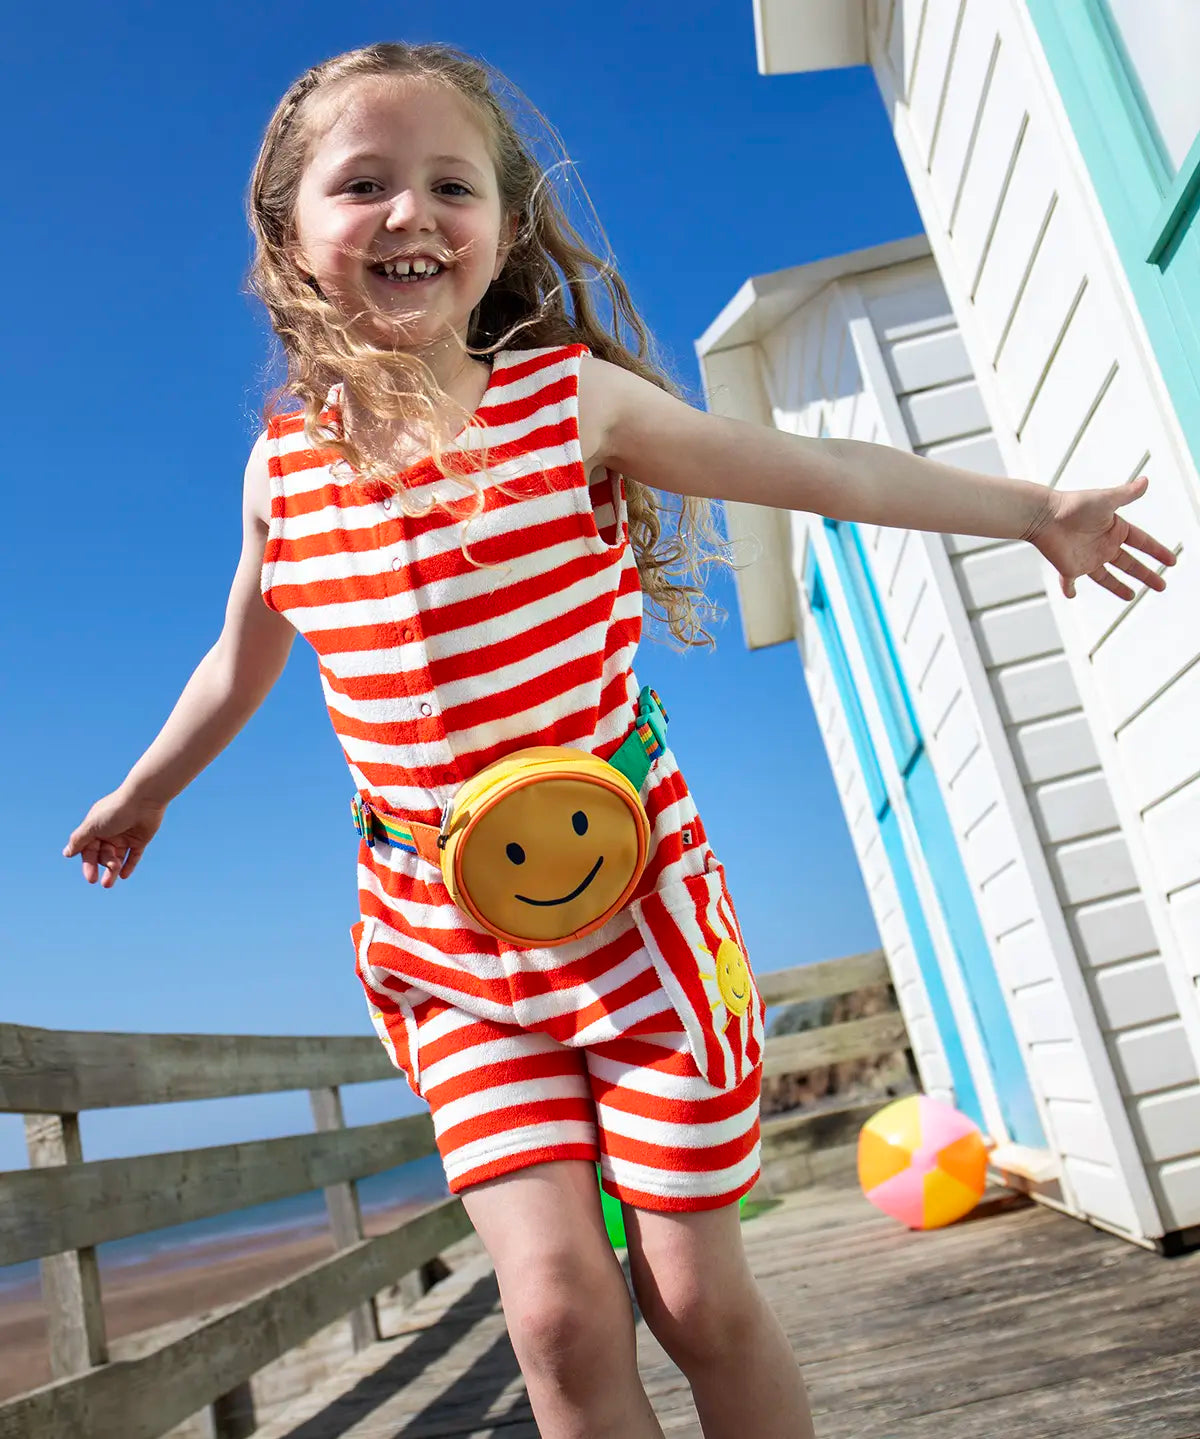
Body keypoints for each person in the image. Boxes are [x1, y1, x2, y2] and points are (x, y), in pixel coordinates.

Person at [64, 41, 1174, 1439]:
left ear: (503, 229)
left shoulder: (568, 406)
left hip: (637, 906)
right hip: (445, 936)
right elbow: (242, 657)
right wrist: (144, 789)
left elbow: (819, 469)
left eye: (450, 185)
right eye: (365, 184)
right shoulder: (284, 471)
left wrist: (1029, 510)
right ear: (289, 234)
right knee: (556, 1315)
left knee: (695, 1300)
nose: (411, 212)